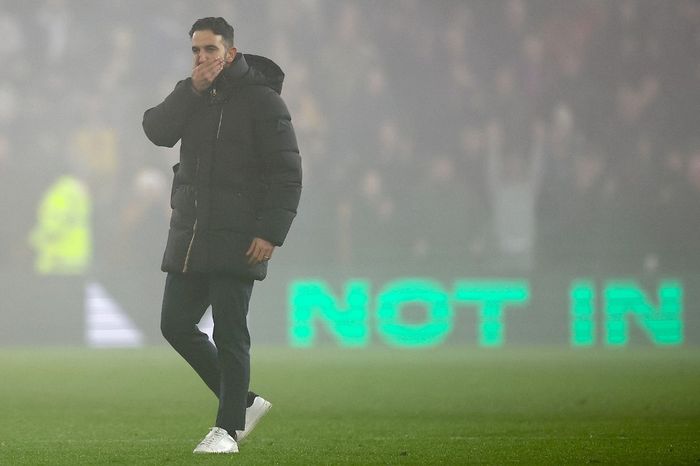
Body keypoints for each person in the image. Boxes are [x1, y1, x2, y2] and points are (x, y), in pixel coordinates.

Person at [142, 17, 302, 454]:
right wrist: (189, 91)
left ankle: (227, 431)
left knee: (231, 333)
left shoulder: (263, 101)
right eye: (195, 50)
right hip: (193, 234)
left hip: (240, 237)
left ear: (230, 52)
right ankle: (244, 403)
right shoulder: (191, 94)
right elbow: (156, 131)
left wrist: (270, 232)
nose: (202, 58)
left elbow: (287, 175)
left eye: (210, 50)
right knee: (174, 323)